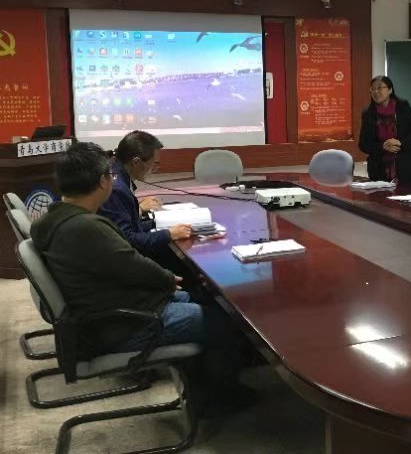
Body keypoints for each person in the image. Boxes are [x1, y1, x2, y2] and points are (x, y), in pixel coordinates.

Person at [29, 142, 251, 413]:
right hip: (124, 325)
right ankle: (216, 401)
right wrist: (169, 279)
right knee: (225, 320)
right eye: (110, 175)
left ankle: (202, 385)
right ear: (103, 181)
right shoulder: (86, 227)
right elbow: (135, 266)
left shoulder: (50, 221)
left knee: (209, 300)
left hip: (109, 312)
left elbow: (126, 266)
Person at [98, 131, 191, 274]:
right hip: (124, 266)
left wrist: (157, 223)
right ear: (136, 162)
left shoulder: (119, 176)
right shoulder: (116, 189)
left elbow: (131, 226)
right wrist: (169, 234)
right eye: (154, 164)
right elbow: (128, 240)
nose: (154, 169)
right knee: (180, 264)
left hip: (124, 256)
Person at [358, 75, 411, 190]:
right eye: (373, 89)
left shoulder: (402, 107)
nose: (376, 92)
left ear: (390, 90)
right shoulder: (368, 113)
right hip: (378, 170)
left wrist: (400, 143)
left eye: (380, 88)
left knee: (410, 199)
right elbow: (363, 144)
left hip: (406, 166)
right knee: (380, 201)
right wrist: (382, 146)